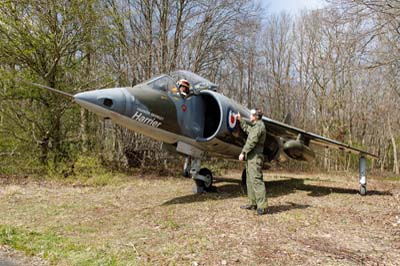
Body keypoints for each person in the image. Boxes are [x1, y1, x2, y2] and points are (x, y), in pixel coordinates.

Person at [237, 108, 267, 215]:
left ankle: (262, 206)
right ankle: (253, 203)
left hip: (255, 157)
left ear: (256, 117)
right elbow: (248, 130)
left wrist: (243, 152)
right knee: (249, 181)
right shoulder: (255, 127)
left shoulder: (259, 127)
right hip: (251, 157)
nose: (250, 116)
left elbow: (252, 141)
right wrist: (241, 120)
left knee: (256, 180)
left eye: (251, 115)